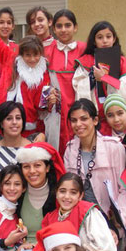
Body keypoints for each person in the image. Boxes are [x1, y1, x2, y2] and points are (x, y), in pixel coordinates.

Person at [63, 99, 126, 241]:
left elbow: (125, 189)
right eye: (74, 120)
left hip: (110, 219)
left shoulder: (113, 147)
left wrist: (120, 220)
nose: (78, 124)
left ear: (95, 120)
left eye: (84, 119)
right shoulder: (70, 149)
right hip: (80, 219)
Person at [0, 18, 59, 137]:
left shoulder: (44, 74)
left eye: (36, 55)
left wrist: (49, 102)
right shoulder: (10, 59)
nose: (32, 59)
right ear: (21, 54)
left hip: (27, 122)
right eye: (28, 55)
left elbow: (41, 105)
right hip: (2, 116)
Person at [15, 142, 66, 251]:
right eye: (26, 166)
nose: (32, 171)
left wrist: (34, 246)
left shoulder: (61, 195)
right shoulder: (17, 194)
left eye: (37, 165)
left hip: (52, 250)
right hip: (19, 249)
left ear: (47, 168)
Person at [73, 21, 126, 123]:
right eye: (100, 37)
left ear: (114, 39)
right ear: (94, 41)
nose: (105, 41)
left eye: (108, 37)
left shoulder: (123, 63)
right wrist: (92, 79)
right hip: (93, 116)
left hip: (116, 117)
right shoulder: (85, 61)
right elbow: (78, 87)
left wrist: (105, 78)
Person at [45, 9, 86, 155]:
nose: (63, 30)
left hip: (79, 103)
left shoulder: (84, 49)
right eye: (59, 26)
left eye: (68, 25)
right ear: (54, 29)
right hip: (56, 108)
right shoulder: (46, 51)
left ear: (75, 27)